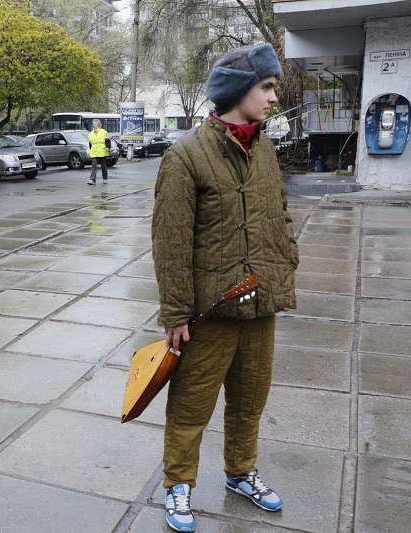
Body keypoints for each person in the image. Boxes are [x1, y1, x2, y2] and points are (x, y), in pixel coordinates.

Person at [151, 43, 298, 532]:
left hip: (261, 304)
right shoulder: (184, 156)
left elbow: (278, 214)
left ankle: (240, 473)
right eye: (268, 86)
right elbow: (170, 242)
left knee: (250, 400)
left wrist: (286, 264)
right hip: (209, 313)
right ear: (240, 90)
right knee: (191, 405)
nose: (274, 97)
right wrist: (175, 314)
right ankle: (179, 485)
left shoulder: (266, 149)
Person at [87, 119, 109, 184]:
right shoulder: (90, 134)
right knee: (94, 166)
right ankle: (92, 180)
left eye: (95, 124)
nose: (94, 125)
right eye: (93, 124)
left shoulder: (103, 132)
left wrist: (108, 147)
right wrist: (91, 150)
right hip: (94, 152)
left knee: (103, 166)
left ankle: (105, 178)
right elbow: (90, 144)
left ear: (98, 124)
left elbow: (107, 141)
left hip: (102, 151)